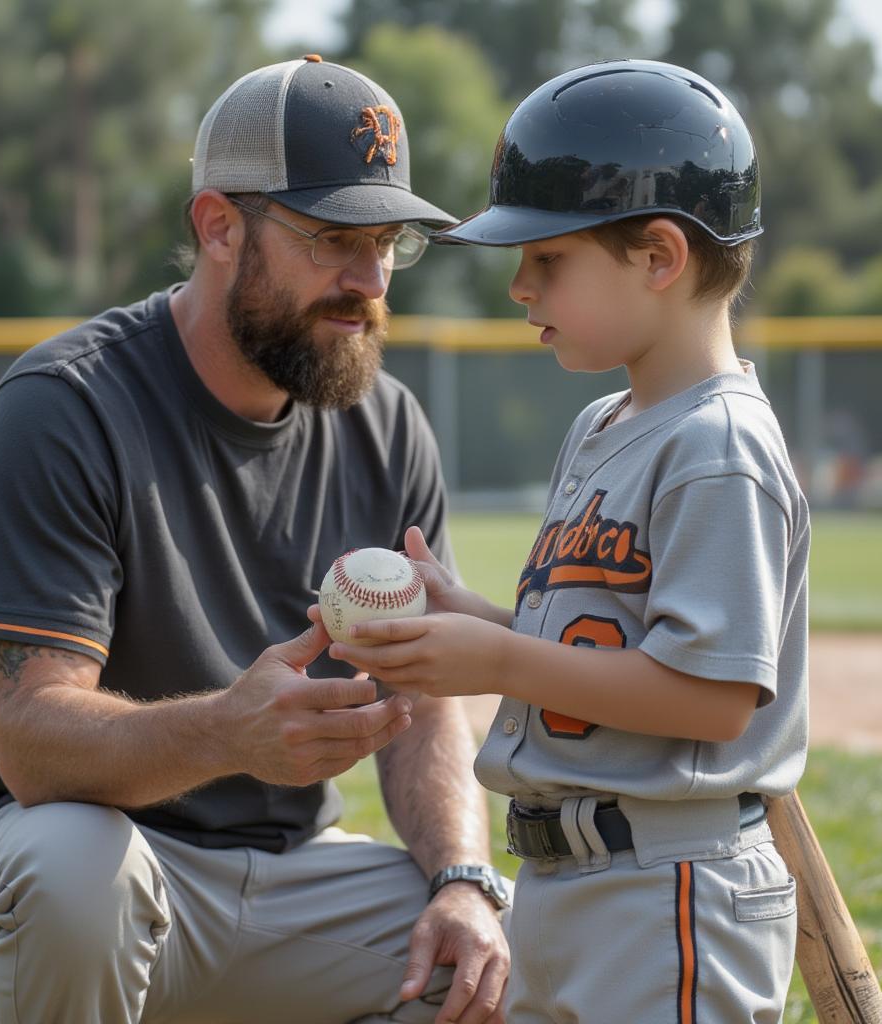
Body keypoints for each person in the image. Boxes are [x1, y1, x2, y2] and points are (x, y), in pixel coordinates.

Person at [0, 55, 511, 1024]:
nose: (368, 280)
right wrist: (227, 731)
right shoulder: (65, 408)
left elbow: (421, 703)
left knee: (500, 952)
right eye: (333, 238)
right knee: (75, 872)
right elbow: (31, 741)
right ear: (217, 226)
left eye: (388, 243)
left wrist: (461, 873)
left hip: (289, 876)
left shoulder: (389, 421)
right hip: (100, 857)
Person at [325, 59, 809, 1024]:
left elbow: (712, 700)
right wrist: (481, 623)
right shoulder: (603, 427)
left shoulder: (719, 446)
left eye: (548, 258)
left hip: (673, 887)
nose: (517, 285)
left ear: (659, 256)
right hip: (573, 881)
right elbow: (610, 647)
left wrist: (500, 656)